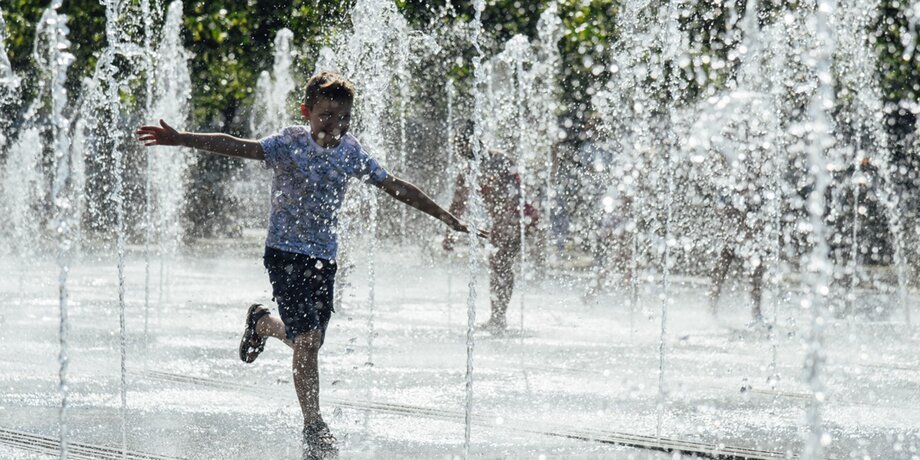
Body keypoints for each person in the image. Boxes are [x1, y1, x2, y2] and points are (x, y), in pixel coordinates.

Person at [136, 71, 484, 459]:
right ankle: (314, 426)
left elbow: (396, 186)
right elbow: (238, 145)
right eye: (327, 116)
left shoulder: (351, 152)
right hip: (284, 253)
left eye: (343, 118)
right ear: (307, 112)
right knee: (306, 341)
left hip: (323, 258)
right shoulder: (288, 143)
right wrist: (183, 138)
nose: (335, 126)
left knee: (310, 341)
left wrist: (448, 219)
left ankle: (262, 324)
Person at [443, 124, 536, 334]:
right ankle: (498, 317)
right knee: (499, 266)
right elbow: (458, 205)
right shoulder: (472, 169)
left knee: (500, 265)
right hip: (511, 219)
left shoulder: (500, 161)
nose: (459, 149)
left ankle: (499, 318)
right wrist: (449, 233)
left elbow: (517, 194)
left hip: (516, 217)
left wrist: (509, 222)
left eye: (460, 143)